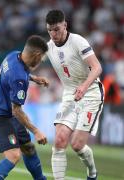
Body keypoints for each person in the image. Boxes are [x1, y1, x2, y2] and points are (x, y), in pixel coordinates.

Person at [45, 10, 104, 180]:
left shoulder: (78, 41)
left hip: (91, 92)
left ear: (65, 25)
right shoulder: (48, 47)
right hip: (70, 94)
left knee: (77, 145)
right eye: (49, 30)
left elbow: (97, 67)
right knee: (59, 140)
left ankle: (92, 173)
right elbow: (31, 61)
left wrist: (84, 87)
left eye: (56, 29)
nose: (53, 34)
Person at [0, 35, 48, 180]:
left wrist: (34, 78)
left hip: (7, 115)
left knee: (28, 148)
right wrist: (36, 131)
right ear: (37, 55)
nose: (40, 62)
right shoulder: (18, 78)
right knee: (13, 155)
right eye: (42, 58)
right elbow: (17, 110)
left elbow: (19, 71)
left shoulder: (13, 55)